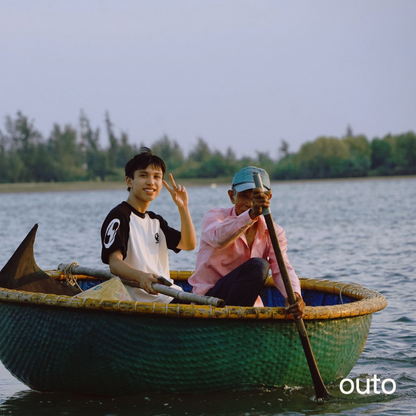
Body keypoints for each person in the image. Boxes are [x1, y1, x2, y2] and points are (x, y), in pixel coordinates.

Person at [189, 166, 305, 317]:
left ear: (268, 198)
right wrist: (251, 215)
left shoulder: (274, 232)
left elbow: (282, 268)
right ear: (232, 196)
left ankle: (238, 323)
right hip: (209, 300)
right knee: (259, 266)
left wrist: (294, 295)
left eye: (256, 197)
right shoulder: (215, 216)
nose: (250, 203)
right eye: (244, 196)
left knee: (261, 268)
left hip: (247, 303)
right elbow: (218, 238)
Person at [101, 147, 196, 303]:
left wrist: (183, 207)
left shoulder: (155, 221)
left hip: (167, 294)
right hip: (143, 300)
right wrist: (141, 276)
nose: (151, 182)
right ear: (129, 181)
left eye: (157, 177)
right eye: (143, 175)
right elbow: (115, 263)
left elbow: (188, 244)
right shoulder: (119, 216)